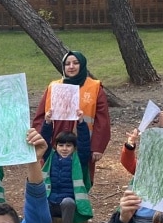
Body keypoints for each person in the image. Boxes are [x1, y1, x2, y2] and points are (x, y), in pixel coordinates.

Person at [33, 50, 110, 180]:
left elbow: (102, 120)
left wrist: (98, 146)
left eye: (75, 63)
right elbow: (40, 117)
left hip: (83, 143)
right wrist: (39, 141)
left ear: (82, 65)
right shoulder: (53, 86)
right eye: (67, 64)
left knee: (80, 177)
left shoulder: (95, 87)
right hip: (55, 141)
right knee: (53, 176)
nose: (71, 66)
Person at [96, 110, 163, 223]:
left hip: (155, 221)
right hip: (135, 219)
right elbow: (128, 162)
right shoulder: (143, 169)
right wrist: (130, 144)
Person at [39, 117, 93, 223]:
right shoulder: (50, 157)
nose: (64, 149)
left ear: (74, 148)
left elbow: (85, 144)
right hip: (51, 201)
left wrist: (81, 124)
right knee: (40, 201)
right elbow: (44, 141)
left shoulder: (78, 159)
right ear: (55, 146)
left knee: (68, 202)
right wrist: (48, 123)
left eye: (68, 146)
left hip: (67, 204)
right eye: (61, 145)